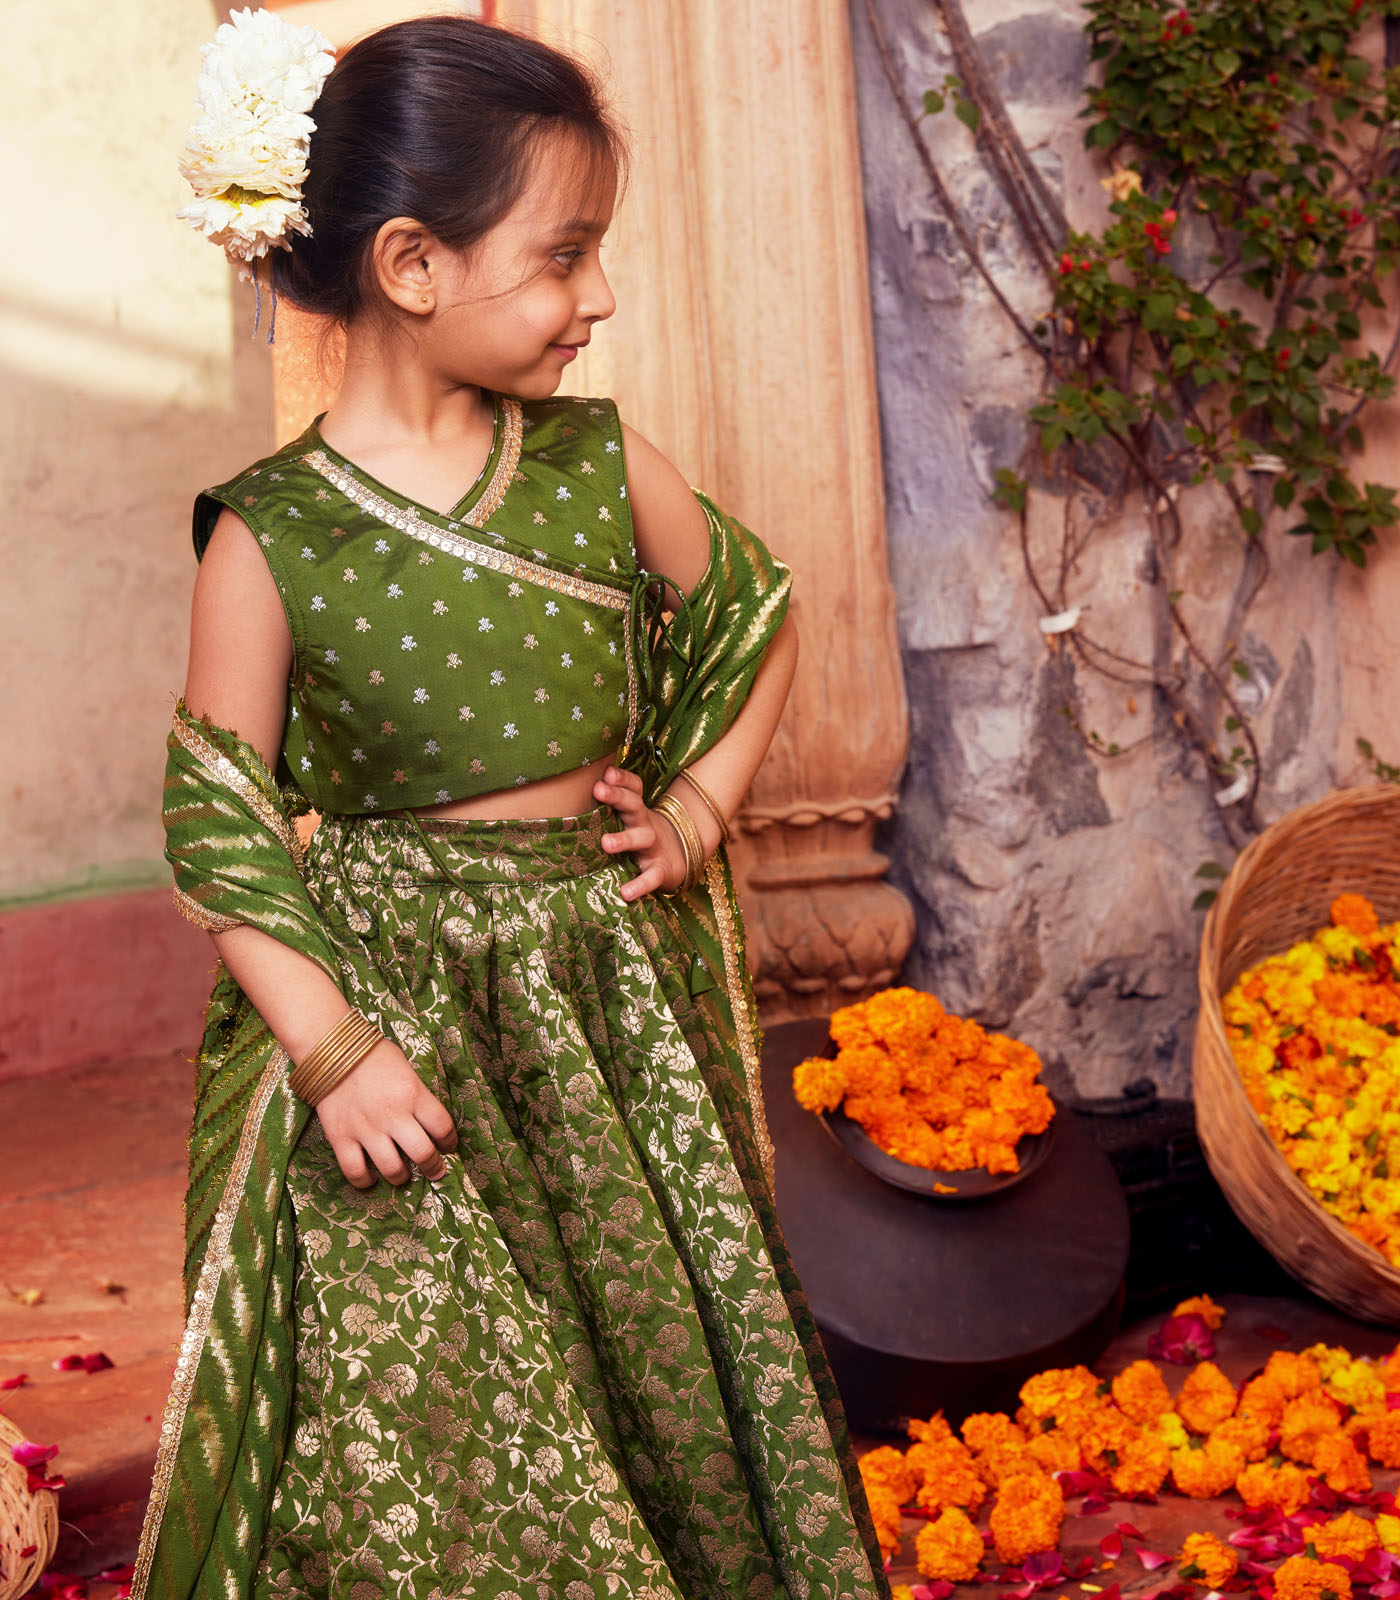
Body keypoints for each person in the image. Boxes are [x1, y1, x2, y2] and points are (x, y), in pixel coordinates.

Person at [134, 11, 891, 1600]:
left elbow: (754, 611)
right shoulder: (273, 536)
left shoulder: (600, 465)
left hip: (599, 1002)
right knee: (457, 1413)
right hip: (399, 1029)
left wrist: (695, 803)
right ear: (412, 265)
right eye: (564, 256)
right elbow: (216, 821)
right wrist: (333, 1052)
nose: (596, 298)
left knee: (646, 1362)